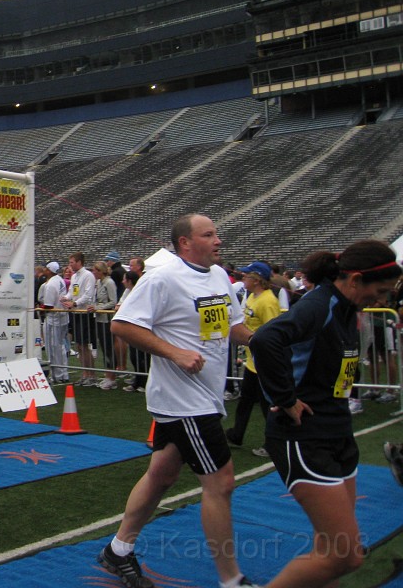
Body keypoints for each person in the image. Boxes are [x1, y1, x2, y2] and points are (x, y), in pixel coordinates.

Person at [100, 214, 256, 588]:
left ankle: (117, 551)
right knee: (221, 483)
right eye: (209, 234)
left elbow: (233, 328)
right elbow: (122, 324)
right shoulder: (162, 277)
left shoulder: (219, 277)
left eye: (216, 233)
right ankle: (232, 580)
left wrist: (270, 340)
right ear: (185, 243)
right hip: (184, 401)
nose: (219, 240)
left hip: (205, 397)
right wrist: (175, 353)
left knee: (162, 475)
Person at [250, 241, 401, 588]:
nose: (381, 301)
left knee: (329, 547)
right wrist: (286, 398)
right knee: (346, 555)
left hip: (338, 432)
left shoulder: (347, 308)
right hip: (304, 436)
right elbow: (265, 341)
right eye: (378, 292)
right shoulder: (320, 305)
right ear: (356, 279)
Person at [224, 261, 282, 455]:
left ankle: (273, 442)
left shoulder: (268, 301)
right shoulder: (253, 297)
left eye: (247, 276)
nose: (243, 278)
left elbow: (273, 331)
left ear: (257, 280)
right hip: (252, 360)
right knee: (246, 400)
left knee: (267, 405)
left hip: (263, 361)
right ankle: (236, 434)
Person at [62, 252, 97, 386]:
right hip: (76, 313)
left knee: (84, 345)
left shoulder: (88, 275)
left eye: (72, 262)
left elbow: (88, 295)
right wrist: (66, 298)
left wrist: (75, 303)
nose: (70, 265)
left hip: (84, 313)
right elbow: (72, 291)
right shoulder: (75, 276)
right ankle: (85, 373)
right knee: (79, 345)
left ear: (79, 262)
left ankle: (91, 374)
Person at [39, 261, 70, 384]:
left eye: (46, 269)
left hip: (54, 319)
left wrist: (40, 309)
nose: (44, 270)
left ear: (49, 270)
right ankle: (64, 373)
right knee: (60, 346)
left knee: (52, 348)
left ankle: (56, 375)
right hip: (62, 317)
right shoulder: (60, 280)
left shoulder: (50, 284)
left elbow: (48, 305)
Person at [90, 261, 119, 390]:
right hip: (100, 318)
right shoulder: (99, 282)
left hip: (107, 318)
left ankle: (112, 377)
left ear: (101, 271)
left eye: (95, 270)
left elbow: (113, 301)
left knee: (108, 347)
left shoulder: (109, 282)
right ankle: (108, 374)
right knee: (103, 346)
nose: (93, 273)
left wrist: (99, 307)